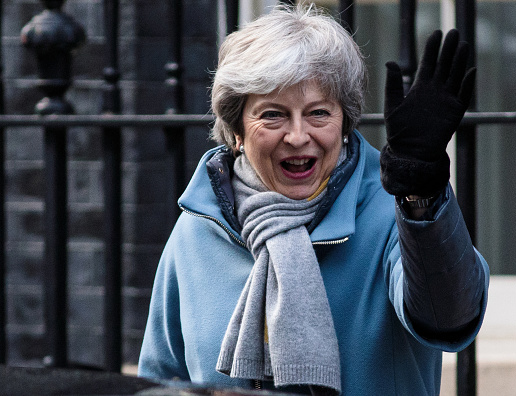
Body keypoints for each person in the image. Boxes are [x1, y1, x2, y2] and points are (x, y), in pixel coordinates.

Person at [138, 4, 489, 396]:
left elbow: (451, 317)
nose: (298, 135)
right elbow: (161, 380)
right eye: (273, 115)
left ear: (344, 123)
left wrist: (422, 194)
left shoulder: (390, 215)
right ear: (237, 130)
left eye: (319, 113)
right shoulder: (198, 230)